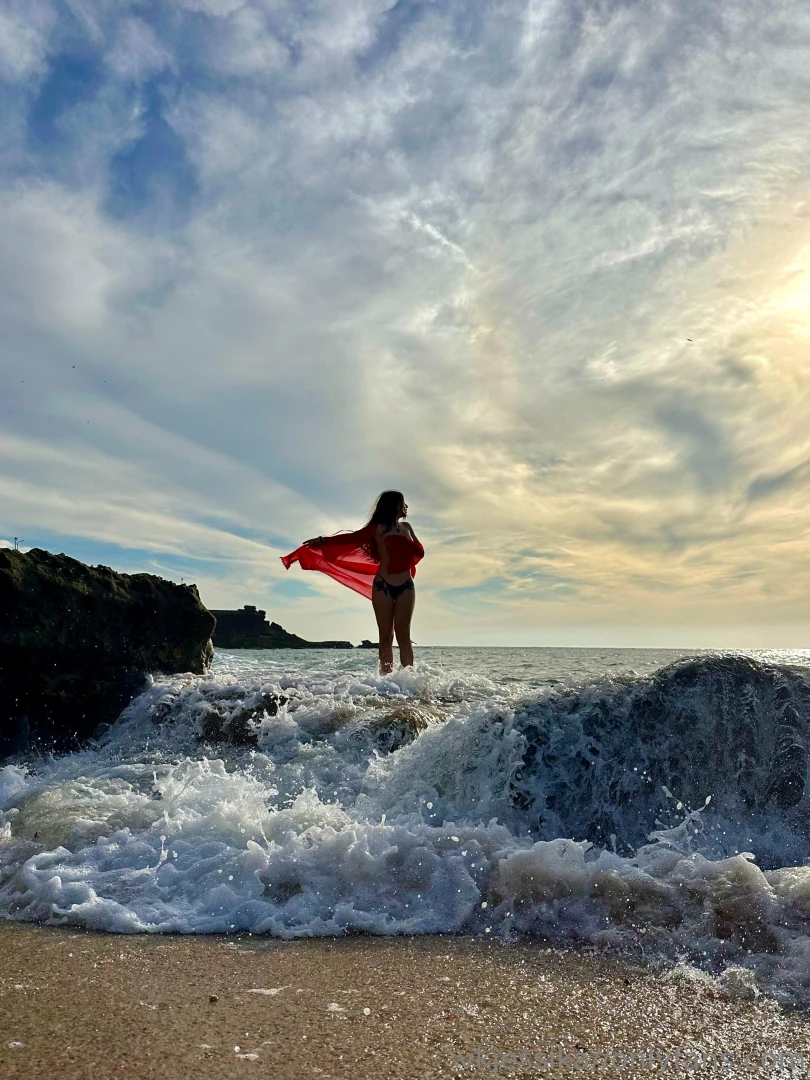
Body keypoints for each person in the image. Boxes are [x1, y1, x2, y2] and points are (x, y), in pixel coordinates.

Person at [281, 491, 424, 673]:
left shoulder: (407, 527)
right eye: (403, 502)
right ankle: (388, 682)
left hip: (406, 586)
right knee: (386, 636)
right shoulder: (376, 528)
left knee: (404, 636)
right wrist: (323, 541)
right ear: (393, 505)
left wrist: (408, 543)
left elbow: (420, 552)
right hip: (383, 585)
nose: (406, 506)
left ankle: (408, 682)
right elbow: (351, 538)